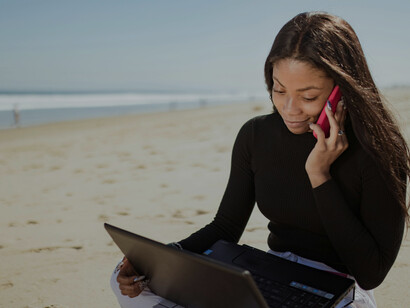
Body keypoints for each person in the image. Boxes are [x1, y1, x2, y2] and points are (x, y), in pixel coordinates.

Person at [110, 11, 410, 308]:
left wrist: (320, 175)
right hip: (269, 274)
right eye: (279, 90)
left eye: (308, 97)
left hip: (342, 291)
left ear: (342, 89)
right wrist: (162, 257)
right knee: (125, 280)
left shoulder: (379, 149)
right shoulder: (257, 135)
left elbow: (371, 273)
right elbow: (226, 227)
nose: (289, 109)